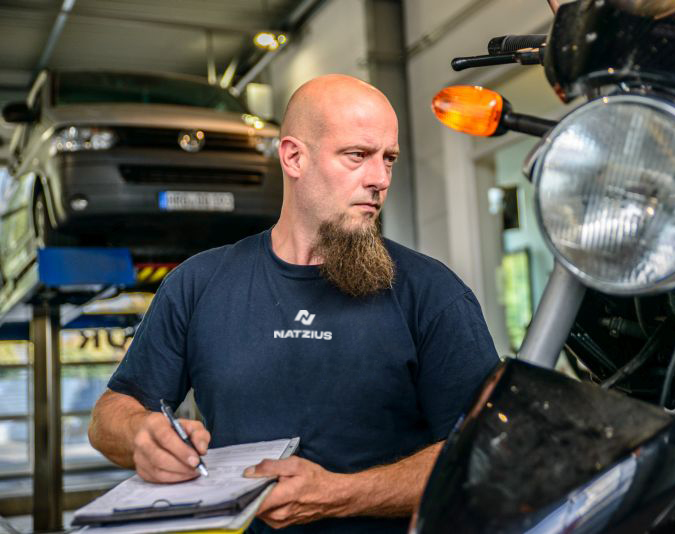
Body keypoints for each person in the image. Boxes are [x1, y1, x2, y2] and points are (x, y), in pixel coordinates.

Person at [88, 74, 499, 533]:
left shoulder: (432, 292)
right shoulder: (198, 283)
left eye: (389, 159)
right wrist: (141, 437)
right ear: (293, 157)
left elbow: (488, 455)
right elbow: (111, 413)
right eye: (357, 156)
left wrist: (343, 495)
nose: (380, 179)